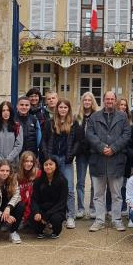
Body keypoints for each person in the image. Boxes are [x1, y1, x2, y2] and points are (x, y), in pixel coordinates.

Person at [86, 90, 131, 232]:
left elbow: (126, 134)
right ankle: (99, 220)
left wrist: (113, 148)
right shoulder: (94, 117)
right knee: (98, 194)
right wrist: (101, 147)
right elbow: (89, 134)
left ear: (115, 100)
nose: (109, 101)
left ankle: (116, 220)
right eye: (107, 99)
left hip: (116, 160)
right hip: (98, 160)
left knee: (117, 195)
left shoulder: (123, 117)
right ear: (103, 100)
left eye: (112, 99)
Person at [41, 98, 79, 229]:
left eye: (65, 107)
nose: (63, 109)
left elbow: (77, 142)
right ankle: (56, 215)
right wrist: (47, 157)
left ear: (68, 109)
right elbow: (44, 141)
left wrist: (71, 155)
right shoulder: (49, 123)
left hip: (66, 160)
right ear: (57, 109)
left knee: (69, 189)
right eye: (60, 107)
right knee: (52, 188)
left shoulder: (74, 124)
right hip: (52, 160)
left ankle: (70, 216)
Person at [30, 156, 69, 239]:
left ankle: (55, 230)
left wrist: (46, 216)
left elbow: (62, 202)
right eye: (46, 165)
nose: (48, 167)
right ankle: (41, 230)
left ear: (56, 166)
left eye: (51, 164)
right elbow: (34, 199)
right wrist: (36, 212)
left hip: (57, 209)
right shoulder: (38, 181)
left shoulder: (63, 181)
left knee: (56, 219)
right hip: (42, 208)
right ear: (43, 167)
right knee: (33, 218)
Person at [0, 160, 25, 244]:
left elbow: (17, 195)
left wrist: (9, 208)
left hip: (8, 209)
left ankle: (13, 232)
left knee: (21, 205)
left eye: (7, 171)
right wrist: (3, 215)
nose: (5, 173)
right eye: (2, 170)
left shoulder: (13, 179)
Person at [74, 92, 98, 219]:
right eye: (85, 100)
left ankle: (93, 208)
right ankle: (80, 208)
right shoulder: (77, 117)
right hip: (81, 154)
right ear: (82, 102)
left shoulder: (97, 116)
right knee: (81, 182)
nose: (87, 102)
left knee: (94, 182)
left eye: (89, 100)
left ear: (92, 102)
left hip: (94, 153)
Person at [0, 100, 24, 167]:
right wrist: (1, 161)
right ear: (0, 112)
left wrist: (8, 160)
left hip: (12, 165)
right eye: (3, 110)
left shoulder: (17, 127)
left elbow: (18, 146)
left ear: (11, 112)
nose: (6, 113)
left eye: (8, 110)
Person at [17, 150, 41, 226]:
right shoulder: (17, 175)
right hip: (21, 203)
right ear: (22, 162)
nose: (29, 164)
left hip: (35, 204)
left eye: (31, 161)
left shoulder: (38, 174)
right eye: (26, 161)